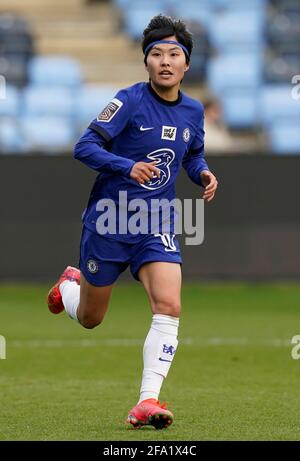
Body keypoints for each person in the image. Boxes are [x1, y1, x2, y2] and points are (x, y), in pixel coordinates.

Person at [47, 14, 218, 430]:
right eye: (156, 53)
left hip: (156, 220)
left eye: (174, 54)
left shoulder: (193, 110)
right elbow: (84, 146)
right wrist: (127, 166)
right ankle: (69, 287)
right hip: (108, 221)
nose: (165, 61)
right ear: (145, 62)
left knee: (169, 305)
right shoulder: (128, 101)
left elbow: (192, 154)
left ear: (186, 64)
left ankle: (147, 401)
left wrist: (202, 173)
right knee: (90, 318)